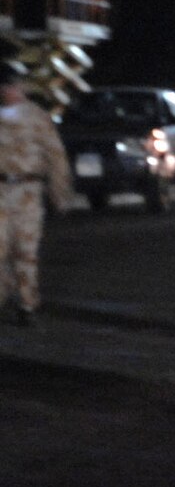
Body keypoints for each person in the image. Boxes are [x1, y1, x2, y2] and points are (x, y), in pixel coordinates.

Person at [0, 58, 73, 324]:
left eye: (13, 85)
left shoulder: (36, 117)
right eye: (5, 86)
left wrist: (59, 192)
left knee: (26, 249)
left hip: (28, 189)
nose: (9, 91)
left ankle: (27, 304)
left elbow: (55, 156)